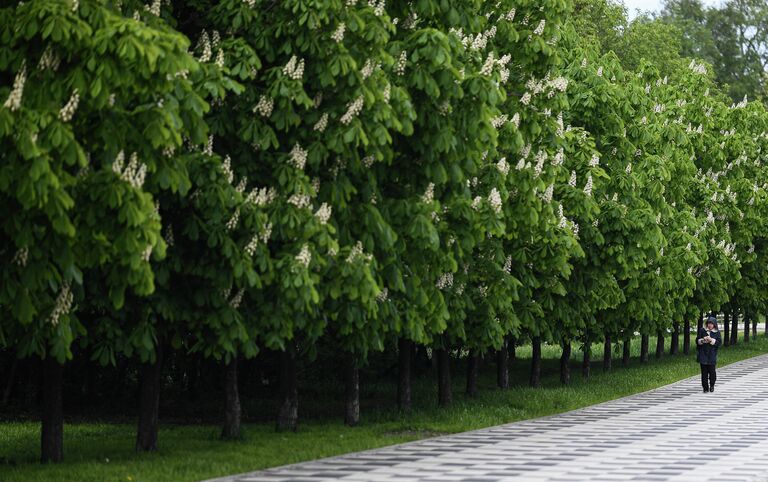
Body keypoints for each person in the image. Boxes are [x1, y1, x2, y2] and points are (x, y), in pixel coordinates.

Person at [696, 315, 722, 393]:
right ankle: (705, 388)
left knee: (712, 372)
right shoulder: (702, 330)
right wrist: (703, 340)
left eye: (711, 323)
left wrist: (711, 340)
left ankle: (712, 385)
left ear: (714, 324)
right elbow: (697, 341)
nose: (709, 325)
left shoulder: (717, 332)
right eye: (708, 323)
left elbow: (719, 343)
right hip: (703, 354)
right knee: (704, 373)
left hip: (712, 355)